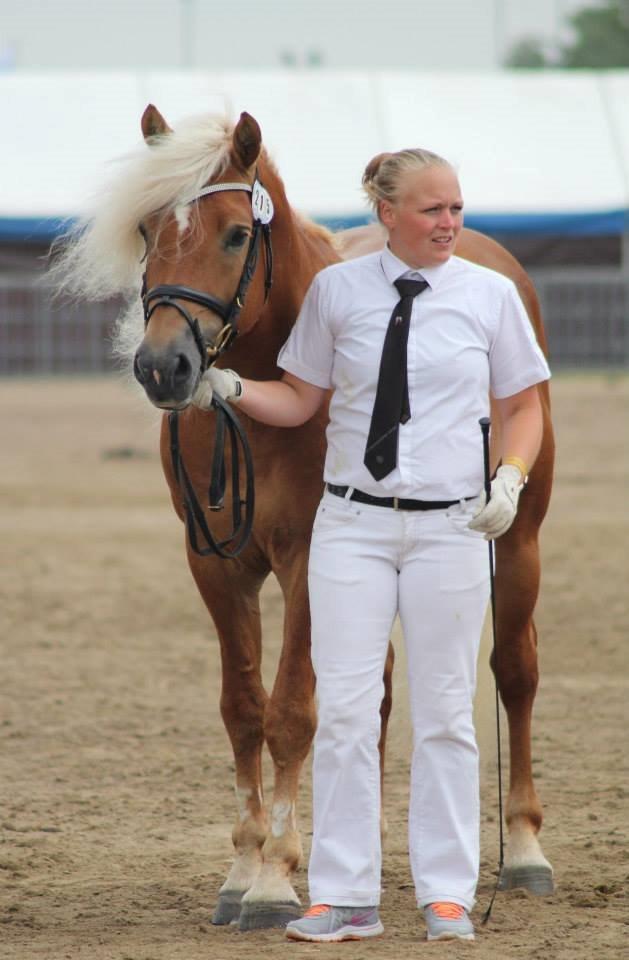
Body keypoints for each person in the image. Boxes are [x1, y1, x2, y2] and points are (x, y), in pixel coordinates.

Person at [193, 147, 550, 943]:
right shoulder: (334, 292)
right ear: (387, 213)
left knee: (446, 716)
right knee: (350, 714)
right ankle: (345, 896)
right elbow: (299, 400)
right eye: (431, 210)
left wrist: (510, 479)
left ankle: (445, 893)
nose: (448, 222)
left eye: (454, 207)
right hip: (350, 525)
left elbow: (523, 405)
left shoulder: (490, 296)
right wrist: (232, 388)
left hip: (453, 527)